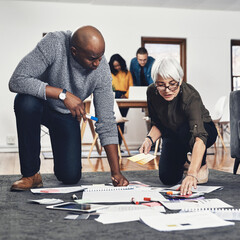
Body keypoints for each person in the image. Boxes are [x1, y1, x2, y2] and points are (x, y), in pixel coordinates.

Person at [9, 25, 129, 191]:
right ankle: (31, 175)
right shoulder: (54, 43)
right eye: (92, 58)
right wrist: (62, 94)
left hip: (65, 115)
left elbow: (106, 120)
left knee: (70, 177)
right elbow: (17, 80)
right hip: (39, 104)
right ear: (74, 51)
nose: (97, 63)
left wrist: (116, 172)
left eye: (100, 57)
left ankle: (64, 169)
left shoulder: (101, 68)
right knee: (25, 102)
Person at [139, 57, 217, 196]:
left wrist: (192, 174)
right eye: (161, 84)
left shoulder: (191, 95)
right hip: (173, 132)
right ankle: (186, 161)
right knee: (167, 178)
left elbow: (199, 136)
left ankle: (201, 163)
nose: (167, 90)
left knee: (185, 131)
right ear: (155, 82)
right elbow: (158, 123)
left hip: (202, 130)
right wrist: (149, 139)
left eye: (172, 84)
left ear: (180, 80)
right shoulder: (152, 92)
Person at [109, 54, 133, 148]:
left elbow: (131, 87)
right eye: (115, 66)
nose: (117, 67)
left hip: (124, 98)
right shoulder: (109, 73)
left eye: (118, 65)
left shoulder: (127, 73)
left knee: (121, 121)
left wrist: (125, 95)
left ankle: (119, 145)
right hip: (113, 97)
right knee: (112, 122)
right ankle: (112, 146)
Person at [130, 47, 155, 136]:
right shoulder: (133, 62)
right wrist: (134, 92)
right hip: (138, 92)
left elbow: (153, 80)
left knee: (151, 117)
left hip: (151, 92)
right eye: (140, 60)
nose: (143, 62)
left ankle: (153, 140)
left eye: (145, 60)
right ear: (137, 58)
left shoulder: (152, 62)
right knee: (147, 116)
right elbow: (132, 78)